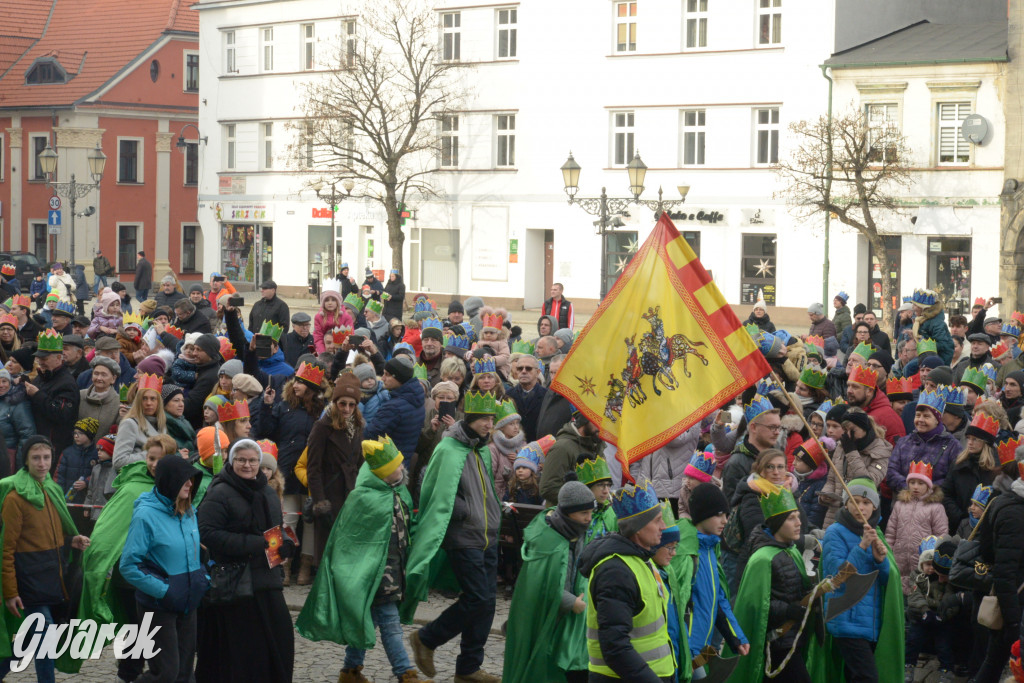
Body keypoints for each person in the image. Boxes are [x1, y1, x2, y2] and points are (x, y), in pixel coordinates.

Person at [297, 434, 428, 682]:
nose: (402, 468)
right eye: (396, 466)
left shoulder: (399, 493)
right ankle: (405, 673)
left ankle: (350, 671)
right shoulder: (362, 498)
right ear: (381, 473)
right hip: (372, 575)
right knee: (390, 625)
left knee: (368, 619)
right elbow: (348, 542)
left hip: (393, 571)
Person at [404, 391, 501, 683]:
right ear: (469, 419)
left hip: (488, 536)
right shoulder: (449, 448)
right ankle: (427, 638)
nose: (489, 424)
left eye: (492, 418)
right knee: (477, 599)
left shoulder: (481, 449)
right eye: (484, 418)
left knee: (487, 603)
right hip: (464, 537)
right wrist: (466, 510)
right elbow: (431, 486)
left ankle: (469, 667)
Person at [196, 439, 294, 683]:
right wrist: (253, 543)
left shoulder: (268, 492)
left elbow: (272, 531)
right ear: (232, 461)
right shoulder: (220, 491)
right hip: (235, 582)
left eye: (252, 460)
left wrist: (283, 545)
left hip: (267, 580)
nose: (247, 465)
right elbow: (207, 533)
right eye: (241, 460)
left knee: (280, 641)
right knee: (244, 652)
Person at [0, 435, 89, 681]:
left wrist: (71, 540)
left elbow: (51, 532)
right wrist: (9, 592)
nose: (42, 463)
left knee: (32, 640)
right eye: (36, 458)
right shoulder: (15, 498)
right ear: (26, 461)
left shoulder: (52, 489)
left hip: (50, 575)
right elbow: (5, 549)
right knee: (46, 633)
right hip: (28, 579)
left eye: (46, 458)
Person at [578, 479, 680, 683]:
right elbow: (615, 647)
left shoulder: (643, 559)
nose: (663, 526)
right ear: (638, 529)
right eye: (657, 520)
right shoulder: (615, 571)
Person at [119, 456, 207, 683]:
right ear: (170, 481)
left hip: (188, 604)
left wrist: (202, 578)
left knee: (185, 675)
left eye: (191, 479)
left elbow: (197, 553)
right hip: (158, 606)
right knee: (166, 674)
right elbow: (128, 565)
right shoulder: (145, 515)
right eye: (185, 479)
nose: (190, 484)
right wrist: (165, 591)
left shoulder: (190, 512)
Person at [502, 480, 595, 683]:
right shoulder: (547, 539)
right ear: (569, 512)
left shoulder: (576, 532)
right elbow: (540, 587)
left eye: (591, 512)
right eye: (584, 514)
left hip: (571, 622)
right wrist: (571, 602)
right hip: (549, 618)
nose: (589, 519)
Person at [730, 477, 815, 682]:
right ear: (777, 523)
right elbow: (756, 605)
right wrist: (787, 610)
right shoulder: (763, 558)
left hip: (793, 638)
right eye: (791, 518)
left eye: (798, 516)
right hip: (775, 642)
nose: (799, 523)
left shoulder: (791, 551)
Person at [821, 478, 904, 683]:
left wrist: (880, 561)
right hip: (846, 619)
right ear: (845, 504)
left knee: (854, 677)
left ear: (874, 505)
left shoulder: (876, 532)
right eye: (854, 501)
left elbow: (886, 580)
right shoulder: (835, 532)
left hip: (870, 622)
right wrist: (862, 547)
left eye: (866, 502)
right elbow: (837, 577)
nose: (860, 507)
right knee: (867, 678)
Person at [969, 448, 1024, 683]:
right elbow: (1004, 570)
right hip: (1015, 606)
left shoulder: (1004, 503)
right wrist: (1012, 620)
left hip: (1012, 604)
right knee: (993, 664)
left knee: (992, 663)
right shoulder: (1014, 512)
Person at [305, 371, 364, 569]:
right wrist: (320, 501)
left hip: (351, 493)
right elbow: (313, 468)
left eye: (351, 404)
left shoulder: (358, 425)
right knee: (328, 552)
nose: (347, 409)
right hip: (330, 494)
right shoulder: (322, 427)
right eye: (342, 403)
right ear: (335, 402)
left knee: (347, 550)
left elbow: (359, 461)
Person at [820, 408, 892, 528]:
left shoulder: (881, 452)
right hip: (835, 514)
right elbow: (832, 478)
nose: (848, 435)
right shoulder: (842, 445)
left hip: (860, 516)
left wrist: (852, 452)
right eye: (845, 430)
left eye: (852, 430)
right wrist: (826, 494)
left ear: (864, 429)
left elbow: (868, 482)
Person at [886, 461, 948, 593]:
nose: (915, 487)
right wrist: (888, 553)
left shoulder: (936, 508)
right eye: (912, 482)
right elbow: (891, 533)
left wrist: (931, 561)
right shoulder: (899, 505)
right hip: (899, 561)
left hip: (923, 565)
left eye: (920, 483)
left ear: (928, 485)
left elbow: (941, 536)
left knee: (919, 598)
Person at [886, 390, 961, 494]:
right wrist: (910, 489)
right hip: (904, 503)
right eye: (918, 415)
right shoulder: (904, 442)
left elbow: (953, 478)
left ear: (937, 420)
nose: (920, 420)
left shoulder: (952, 446)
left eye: (926, 416)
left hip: (935, 504)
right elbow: (891, 471)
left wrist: (927, 491)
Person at [905, 535, 956, 683]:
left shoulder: (944, 579)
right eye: (926, 564)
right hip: (920, 616)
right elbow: (915, 597)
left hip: (941, 617)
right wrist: (925, 610)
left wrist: (942, 614)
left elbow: (949, 599)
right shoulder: (917, 576)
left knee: (944, 646)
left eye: (932, 564)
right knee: (913, 641)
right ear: (921, 564)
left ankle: (947, 670)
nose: (931, 568)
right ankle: (908, 665)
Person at [25, 329, 80, 459]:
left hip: (54, 446)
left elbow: (61, 414)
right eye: (39, 358)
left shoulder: (66, 383)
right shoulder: (42, 377)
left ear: (59, 358)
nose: (40, 362)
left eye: (44, 358)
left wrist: (37, 395)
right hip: (39, 442)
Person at [364, 355, 426, 469]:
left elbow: (370, 435)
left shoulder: (393, 408)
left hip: (386, 467)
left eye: (387, 374)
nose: (382, 378)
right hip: (402, 465)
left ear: (399, 378)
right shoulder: (416, 400)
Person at [941, 413, 1000, 530]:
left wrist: (984, 515)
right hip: (960, 526)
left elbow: (999, 498)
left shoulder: (997, 468)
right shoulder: (958, 463)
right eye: (968, 438)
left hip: (988, 527)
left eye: (975, 439)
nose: (970, 443)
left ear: (985, 443)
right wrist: (959, 516)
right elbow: (946, 493)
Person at [629, 425, 701, 517]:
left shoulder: (691, 414)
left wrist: (662, 418)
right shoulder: (652, 416)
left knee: (670, 529)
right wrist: (633, 480)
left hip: (672, 491)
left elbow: (677, 439)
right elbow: (637, 453)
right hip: (645, 488)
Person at [721, 393, 781, 502]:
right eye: (772, 427)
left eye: (778, 427)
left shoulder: (778, 453)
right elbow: (732, 506)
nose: (777, 432)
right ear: (753, 427)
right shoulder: (736, 463)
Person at [540, 411, 602, 507]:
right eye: (598, 420)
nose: (603, 426)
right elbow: (548, 488)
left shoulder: (597, 446)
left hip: (590, 516)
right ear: (584, 420)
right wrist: (581, 502)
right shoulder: (562, 447)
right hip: (563, 518)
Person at [113, 373, 167, 471]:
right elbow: (119, 461)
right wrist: (154, 454)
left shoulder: (162, 425)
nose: (148, 403)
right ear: (138, 401)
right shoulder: (129, 424)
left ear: (158, 402)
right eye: (144, 398)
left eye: (153, 399)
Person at [56, 417, 99, 505]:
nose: (76, 436)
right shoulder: (67, 453)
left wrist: (87, 482)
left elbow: (101, 475)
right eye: (75, 433)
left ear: (90, 435)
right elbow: (59, 477)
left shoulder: (98, 454)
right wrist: (58, 496)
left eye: (80, 433)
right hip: (67, 500)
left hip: (88, 500)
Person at [0, 368, 35, 472]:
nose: (1, 385)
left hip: (8, 457)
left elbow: (27, 434)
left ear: (10, 382)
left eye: (4, 381)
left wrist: (21, 466)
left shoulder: (17, 404)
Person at [506, 354, 547, 442]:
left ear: (538, 372)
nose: (523, 371)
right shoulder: (508, 395)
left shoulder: (547, 396)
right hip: (514, 447)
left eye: (528, 368)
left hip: (539, 446)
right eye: (520, 368)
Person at [910, 288, 954, 365]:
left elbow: (942, 344)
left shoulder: (937, 323)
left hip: (940, 359)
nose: (912, 308)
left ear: (924, 307)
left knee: (909, 368)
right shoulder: (922, 320)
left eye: (915, 305)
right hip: (928, 355)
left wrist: (923, 344)